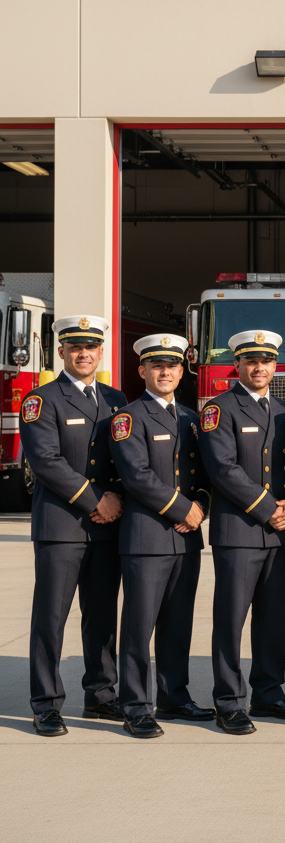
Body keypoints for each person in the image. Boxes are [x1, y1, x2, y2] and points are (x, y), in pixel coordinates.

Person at [198, 329, 285, 735]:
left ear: (275, 366)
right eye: (250, 361)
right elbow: (222, 469)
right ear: (238, 365)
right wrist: (270, 509)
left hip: (281, 533)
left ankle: (269, 692)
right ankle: (229, 701)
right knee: (231, 618)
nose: (259, 367)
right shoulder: (219, 409)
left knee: (273, 616)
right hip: (240, 531)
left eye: (265, 361)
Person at [20, 315, 126, 737]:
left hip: (107, 527)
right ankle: (46, 704)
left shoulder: (118, 400)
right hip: (62, 526)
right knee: (51, 618)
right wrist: (96, 499)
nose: (84, 354)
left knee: (101, 618)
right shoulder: (42, 400)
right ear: (61, 351)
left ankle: (101, 696)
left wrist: (115, 497)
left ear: (101, 352)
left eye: (92, 347)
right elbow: (46, 461)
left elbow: (128, 458)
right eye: (75, 347)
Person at [109, 334, 214, 738]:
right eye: (156, 366)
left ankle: (174, 696)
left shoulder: (192, 417)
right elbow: (136, 476)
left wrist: (199, 506)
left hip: (186, 538)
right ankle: (135, 704)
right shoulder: (128, 418)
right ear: (142, 371)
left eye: (171, 365)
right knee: (139, 625)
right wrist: (183, 509)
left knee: (178, 622)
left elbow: (204, 476)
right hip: (147, 537)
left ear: (181, 371)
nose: (165, 372)